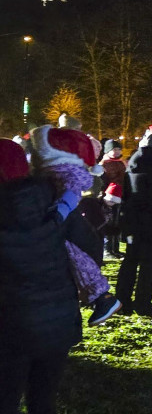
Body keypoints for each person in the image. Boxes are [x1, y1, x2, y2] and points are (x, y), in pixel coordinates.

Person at [0, 139, 83, 414]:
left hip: (10, 328)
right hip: (57, 322)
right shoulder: (54, 200)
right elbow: (90, 249)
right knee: (43, 400)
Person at [29, 125, 122, 326]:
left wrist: (60, 213)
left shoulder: (63, 172)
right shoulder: (60, 171)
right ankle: (100, 298)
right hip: (68, 227)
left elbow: (70, 194)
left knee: (76, 257)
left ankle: (103, 298)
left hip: (64, 229)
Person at [116, 125, 152, 315]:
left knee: (130, 260)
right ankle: (142, 302)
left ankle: (122, 301)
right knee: (148, 263)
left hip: (132, 218)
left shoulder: (134, 161)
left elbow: (126, 193)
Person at [100, 139, 126, 258]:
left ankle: (115, 248)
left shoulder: (121, 162)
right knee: (109, 222)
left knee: (117, 222)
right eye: (114, 149)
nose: (116, 152)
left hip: (119, 195)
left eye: (118, 149)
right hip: (109, 196)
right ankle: (107, 249)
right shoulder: (104, 164)